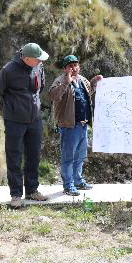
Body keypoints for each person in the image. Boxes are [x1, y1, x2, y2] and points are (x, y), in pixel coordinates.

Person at [0, 43, 50, 208]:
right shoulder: (8, 70)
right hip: (14, 122)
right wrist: (14, 106)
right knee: (14, 158)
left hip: (35, 120)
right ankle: (16, 195)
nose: (40, 61)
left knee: (33, 156)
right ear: (26, 58)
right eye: (37, 59)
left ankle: (32, 190)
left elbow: (40, 88)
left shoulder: (38, 67)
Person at [49, 55, 102, 196]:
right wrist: (66, 82)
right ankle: (68, 185)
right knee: (68, 158)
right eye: (70, 66)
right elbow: (53, 96)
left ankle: (78, 181)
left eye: (75, 65)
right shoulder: (59, 80)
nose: (73, 68)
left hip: (83, 125)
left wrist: (94, 83)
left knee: (80, 156)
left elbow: (88, 93)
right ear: (64, 69)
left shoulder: (82, 80)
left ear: (79, 66)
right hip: (69, 126)